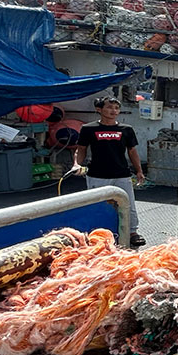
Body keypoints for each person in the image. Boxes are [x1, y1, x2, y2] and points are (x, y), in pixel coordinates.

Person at [72, 96, 146, 248]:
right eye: (109, 107)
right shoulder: (88, 129)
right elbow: (81, 149)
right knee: (97, 205)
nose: (114, 111)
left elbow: (132, 152)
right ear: (99, 110)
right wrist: (76, 164)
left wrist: (139, 171)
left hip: (122, 174)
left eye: (116, 108)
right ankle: (98, 234)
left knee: (128, 204)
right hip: (97, 175)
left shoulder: (127, 130)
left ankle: (132, 232)